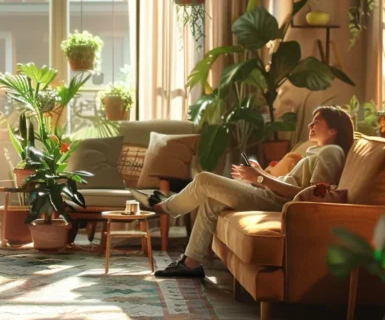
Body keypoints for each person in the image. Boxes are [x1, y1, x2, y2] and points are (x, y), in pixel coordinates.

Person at [136, 106, 355, 278]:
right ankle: (190, 263)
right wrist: (261, 176)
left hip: (279, 203)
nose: (310, 124)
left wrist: (260, 179)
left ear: (334, 130)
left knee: (204, 180)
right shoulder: (319, 151)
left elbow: (311, 196)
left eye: (317, 121)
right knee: (212, 200)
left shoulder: (331, 152)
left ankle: (166, 208)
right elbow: (294, 185)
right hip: (273, 196)